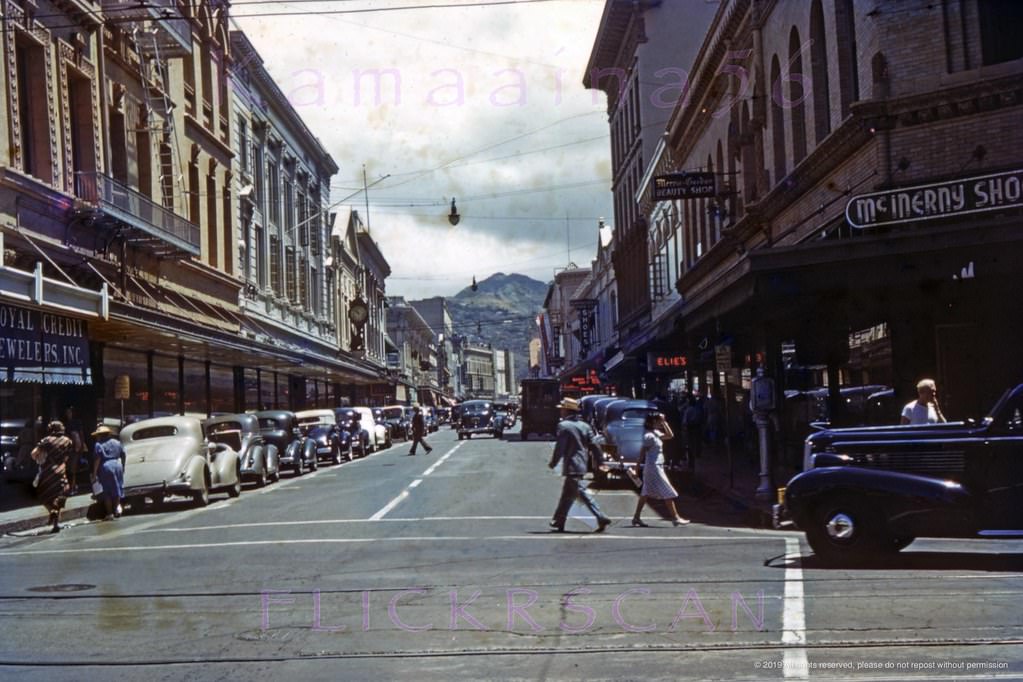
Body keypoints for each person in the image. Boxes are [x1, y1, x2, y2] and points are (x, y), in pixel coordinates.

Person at [548, 397, 612, 533]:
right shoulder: (585, 426)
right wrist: (600, 461)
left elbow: (560, 447)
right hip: (582, 463)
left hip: (572, 464)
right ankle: (559, 520)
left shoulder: (564, 426)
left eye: (562, 409)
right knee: (567, 495)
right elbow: (594, 445)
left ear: (567, 410)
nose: (560, 412)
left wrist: (554, 462)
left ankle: (601, 516)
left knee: (581, 493)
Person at [631, 413, 690, 527]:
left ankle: (636, 517)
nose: (661, 423)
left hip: (657, 465)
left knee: (645, 493)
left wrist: (665, 423)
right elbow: (642, 453)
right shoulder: (649, 436)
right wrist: (636, 469)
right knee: (667, 491)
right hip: (653, 466)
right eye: (659, 421)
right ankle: (675, 517)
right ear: (653, 422)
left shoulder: (656, 434)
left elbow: (670, 435)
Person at [31, 421, 74, 533]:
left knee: (43, 495)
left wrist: (39, 459)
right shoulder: (67, 441)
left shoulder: (46, 440)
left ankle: (52, 511)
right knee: (59, 495)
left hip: (48, 471)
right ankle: (56, 524)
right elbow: (67, 457)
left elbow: (33, 453)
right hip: (61, 470)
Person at [90, 425, 125, 521]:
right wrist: (123, 466)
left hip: (106, 467)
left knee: (107, 492)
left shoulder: (98, 445)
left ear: (100, 435)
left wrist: (94, 473)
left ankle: (110, 513)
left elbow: (97, 459)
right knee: (117, 486)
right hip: (118, 465)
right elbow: (123, 454)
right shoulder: (116, 442)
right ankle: (117, 508)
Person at [63, 406, 87, 492]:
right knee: (68, 468)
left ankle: (72, 486)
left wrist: (81, 446)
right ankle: (70, 486)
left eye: (69, 412)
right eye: (67, 412)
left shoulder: (77, 422)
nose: (68, 414)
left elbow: (81, 434)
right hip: (68, 448)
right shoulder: (65, 423)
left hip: (76, 448)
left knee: (72, 469)